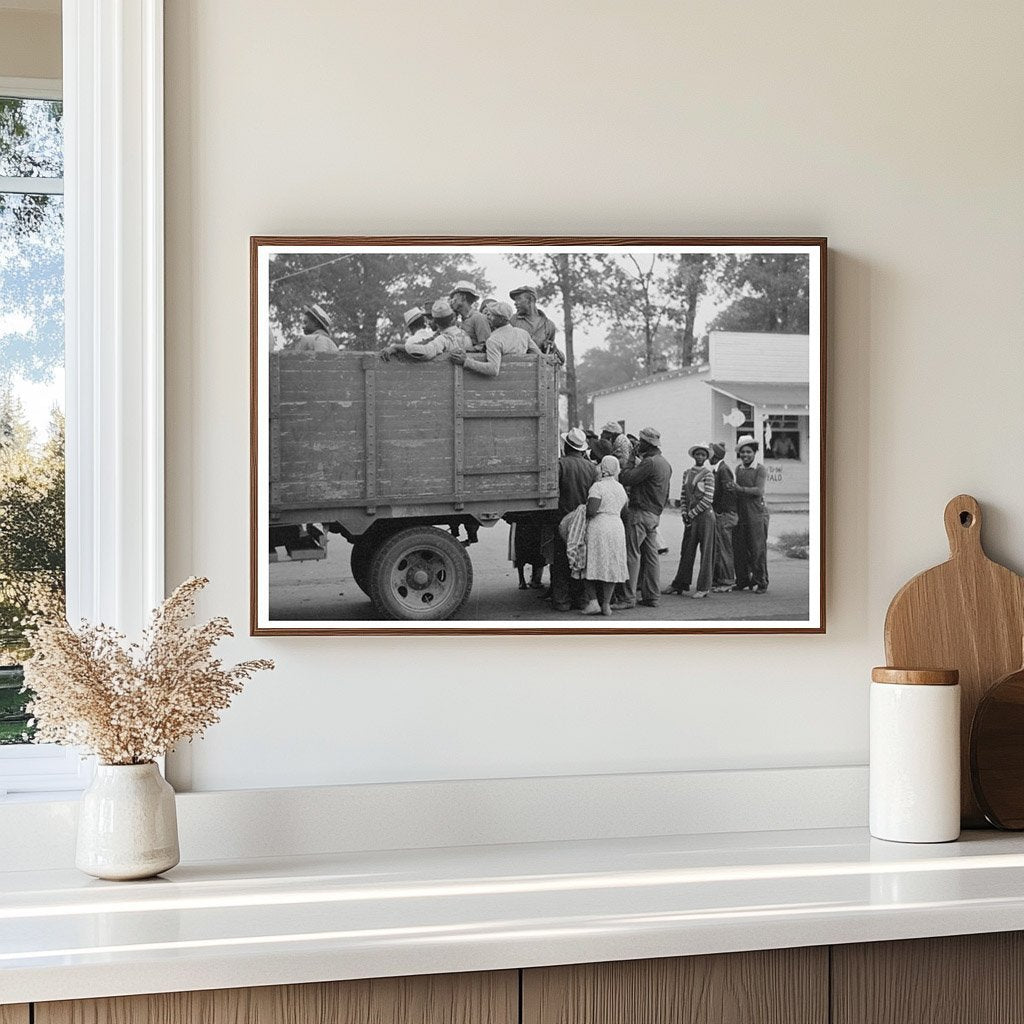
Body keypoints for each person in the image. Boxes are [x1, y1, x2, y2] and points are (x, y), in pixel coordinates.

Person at [614, 427, 672, 609]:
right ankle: (652, 596)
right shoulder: (664, 463)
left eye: (641, 441)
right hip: (654, 514)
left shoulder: (649, 463)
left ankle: (627, 598)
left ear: (647, 443)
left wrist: (631, 458)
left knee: (632, 554)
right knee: (651, 556)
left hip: (639, 513)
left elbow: (626, 477)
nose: (638, 444)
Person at [550, 426, 599, 612]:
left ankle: (562, 601)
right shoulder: (592, 468)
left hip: (563, 519)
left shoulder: (560, 465)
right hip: (584, 520)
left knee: (561, 560)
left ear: (566, 446)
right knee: (580, 560)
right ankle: (580, 599)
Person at [664, 444, 716, 598]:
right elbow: (683, 495)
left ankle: (704, 587)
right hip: (690, 517)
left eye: (703, 455)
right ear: (693, 456)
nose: (700, 457)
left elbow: (708, 498)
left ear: (706, 457)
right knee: (686, 550)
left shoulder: (709, 475)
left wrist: (692, 513)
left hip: (705, 516)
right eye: (697, 454)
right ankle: (680, 583)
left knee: (706, 552)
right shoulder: (687, 473)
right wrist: (684, 512)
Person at [580, 455, 629, 616]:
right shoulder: (620, 488)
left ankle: (593, 602)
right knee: (611, 564)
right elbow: (625, 510)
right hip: (616, 526)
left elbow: (592, 510)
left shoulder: (597, 487)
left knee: (591, 562)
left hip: (599, 526)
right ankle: (606, 605)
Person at [450, 301, 542, 377]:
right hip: (521, 377)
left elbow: (493, 369)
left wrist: (466, 361)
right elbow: (540, 356)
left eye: (492, 315)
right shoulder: (523, 333)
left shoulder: (493, 340)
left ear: (501, 320)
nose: (488, 317)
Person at [733, 435, 770, 594]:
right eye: (742, 452)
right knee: (740, 549)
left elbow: (759, 491)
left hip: (756, 513)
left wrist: (739, 489)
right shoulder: (738, 469)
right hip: (741, 513)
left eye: (748, 452)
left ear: (754, 452)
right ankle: (742, 580)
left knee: (757, 549)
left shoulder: (760, 469)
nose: (745, 455)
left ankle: (761, 581)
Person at [381, 299, 470, 361]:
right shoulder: (465, 334)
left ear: (435, 322)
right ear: (452, 318)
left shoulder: (443, 339)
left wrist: (396, 347)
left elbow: (424, 351)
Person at [708, 441, 738, 592]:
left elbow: (728, 492)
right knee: (719, 547)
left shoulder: (723, 470)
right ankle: (720, 579)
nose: (708, 454)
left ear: (716, 454)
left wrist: (720, 511)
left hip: (725, 514)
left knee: (724, 548)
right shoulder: (717, 469)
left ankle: (726, 582)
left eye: (710, 451)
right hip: (722, 513)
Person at [509, 285, 565, 365]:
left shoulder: (549, 325)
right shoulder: (513, 321)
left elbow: (553, 357)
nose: (515, 303)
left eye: (519, 299)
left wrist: (552, 347)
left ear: (530, 300)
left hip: (539, 372)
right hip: (517, 370)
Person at [449, 280, 491, 352]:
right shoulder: (461, 320)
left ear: (463, 297)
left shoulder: (478, 318)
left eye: (454, 297)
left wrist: (464, 350)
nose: (452, 301)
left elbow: (485, 345)